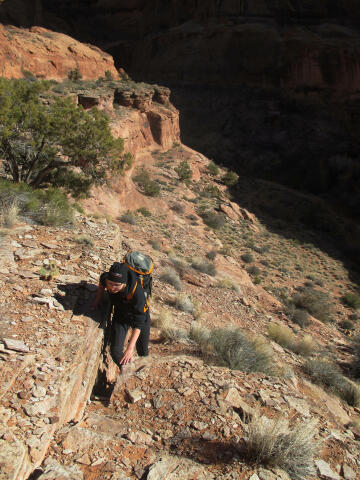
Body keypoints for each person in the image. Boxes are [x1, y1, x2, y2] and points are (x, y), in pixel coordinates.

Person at [91, 262, 150, 367]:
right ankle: (127, 370)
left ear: (125, 283)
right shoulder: (106, 278)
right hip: (121, 313)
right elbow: (102, 282)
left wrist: (130, 348)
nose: (113, 288)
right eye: (110, 284)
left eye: (117, 285)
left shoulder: (137, 293)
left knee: (142, 349)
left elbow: (139, 323)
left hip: (140, 315)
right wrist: (96, 301)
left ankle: (142, 368)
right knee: (116, 351)